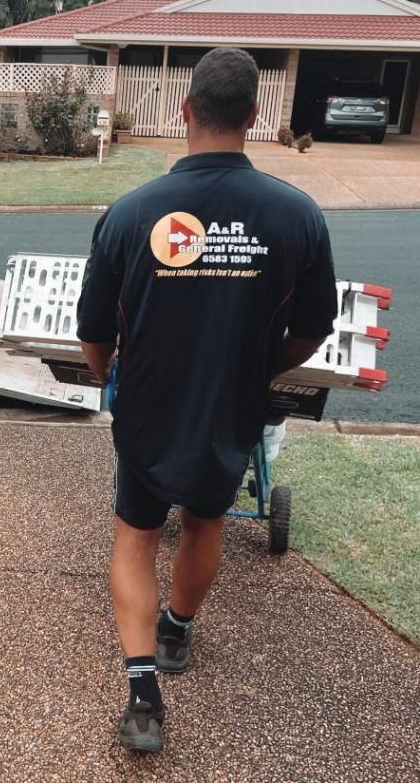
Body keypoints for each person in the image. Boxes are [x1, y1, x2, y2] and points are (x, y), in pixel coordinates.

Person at [77, 48, 337, 754]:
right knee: (204, 523)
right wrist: (261, 366)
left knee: (134, 537)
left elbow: (94, 331)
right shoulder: (297, 214)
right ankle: (177, 632)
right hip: (230, 404)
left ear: (185, 110)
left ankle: (142, 696)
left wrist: (109, 376)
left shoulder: (131, 212)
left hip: (148, 405)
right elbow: (313, 328)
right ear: (254, 117)